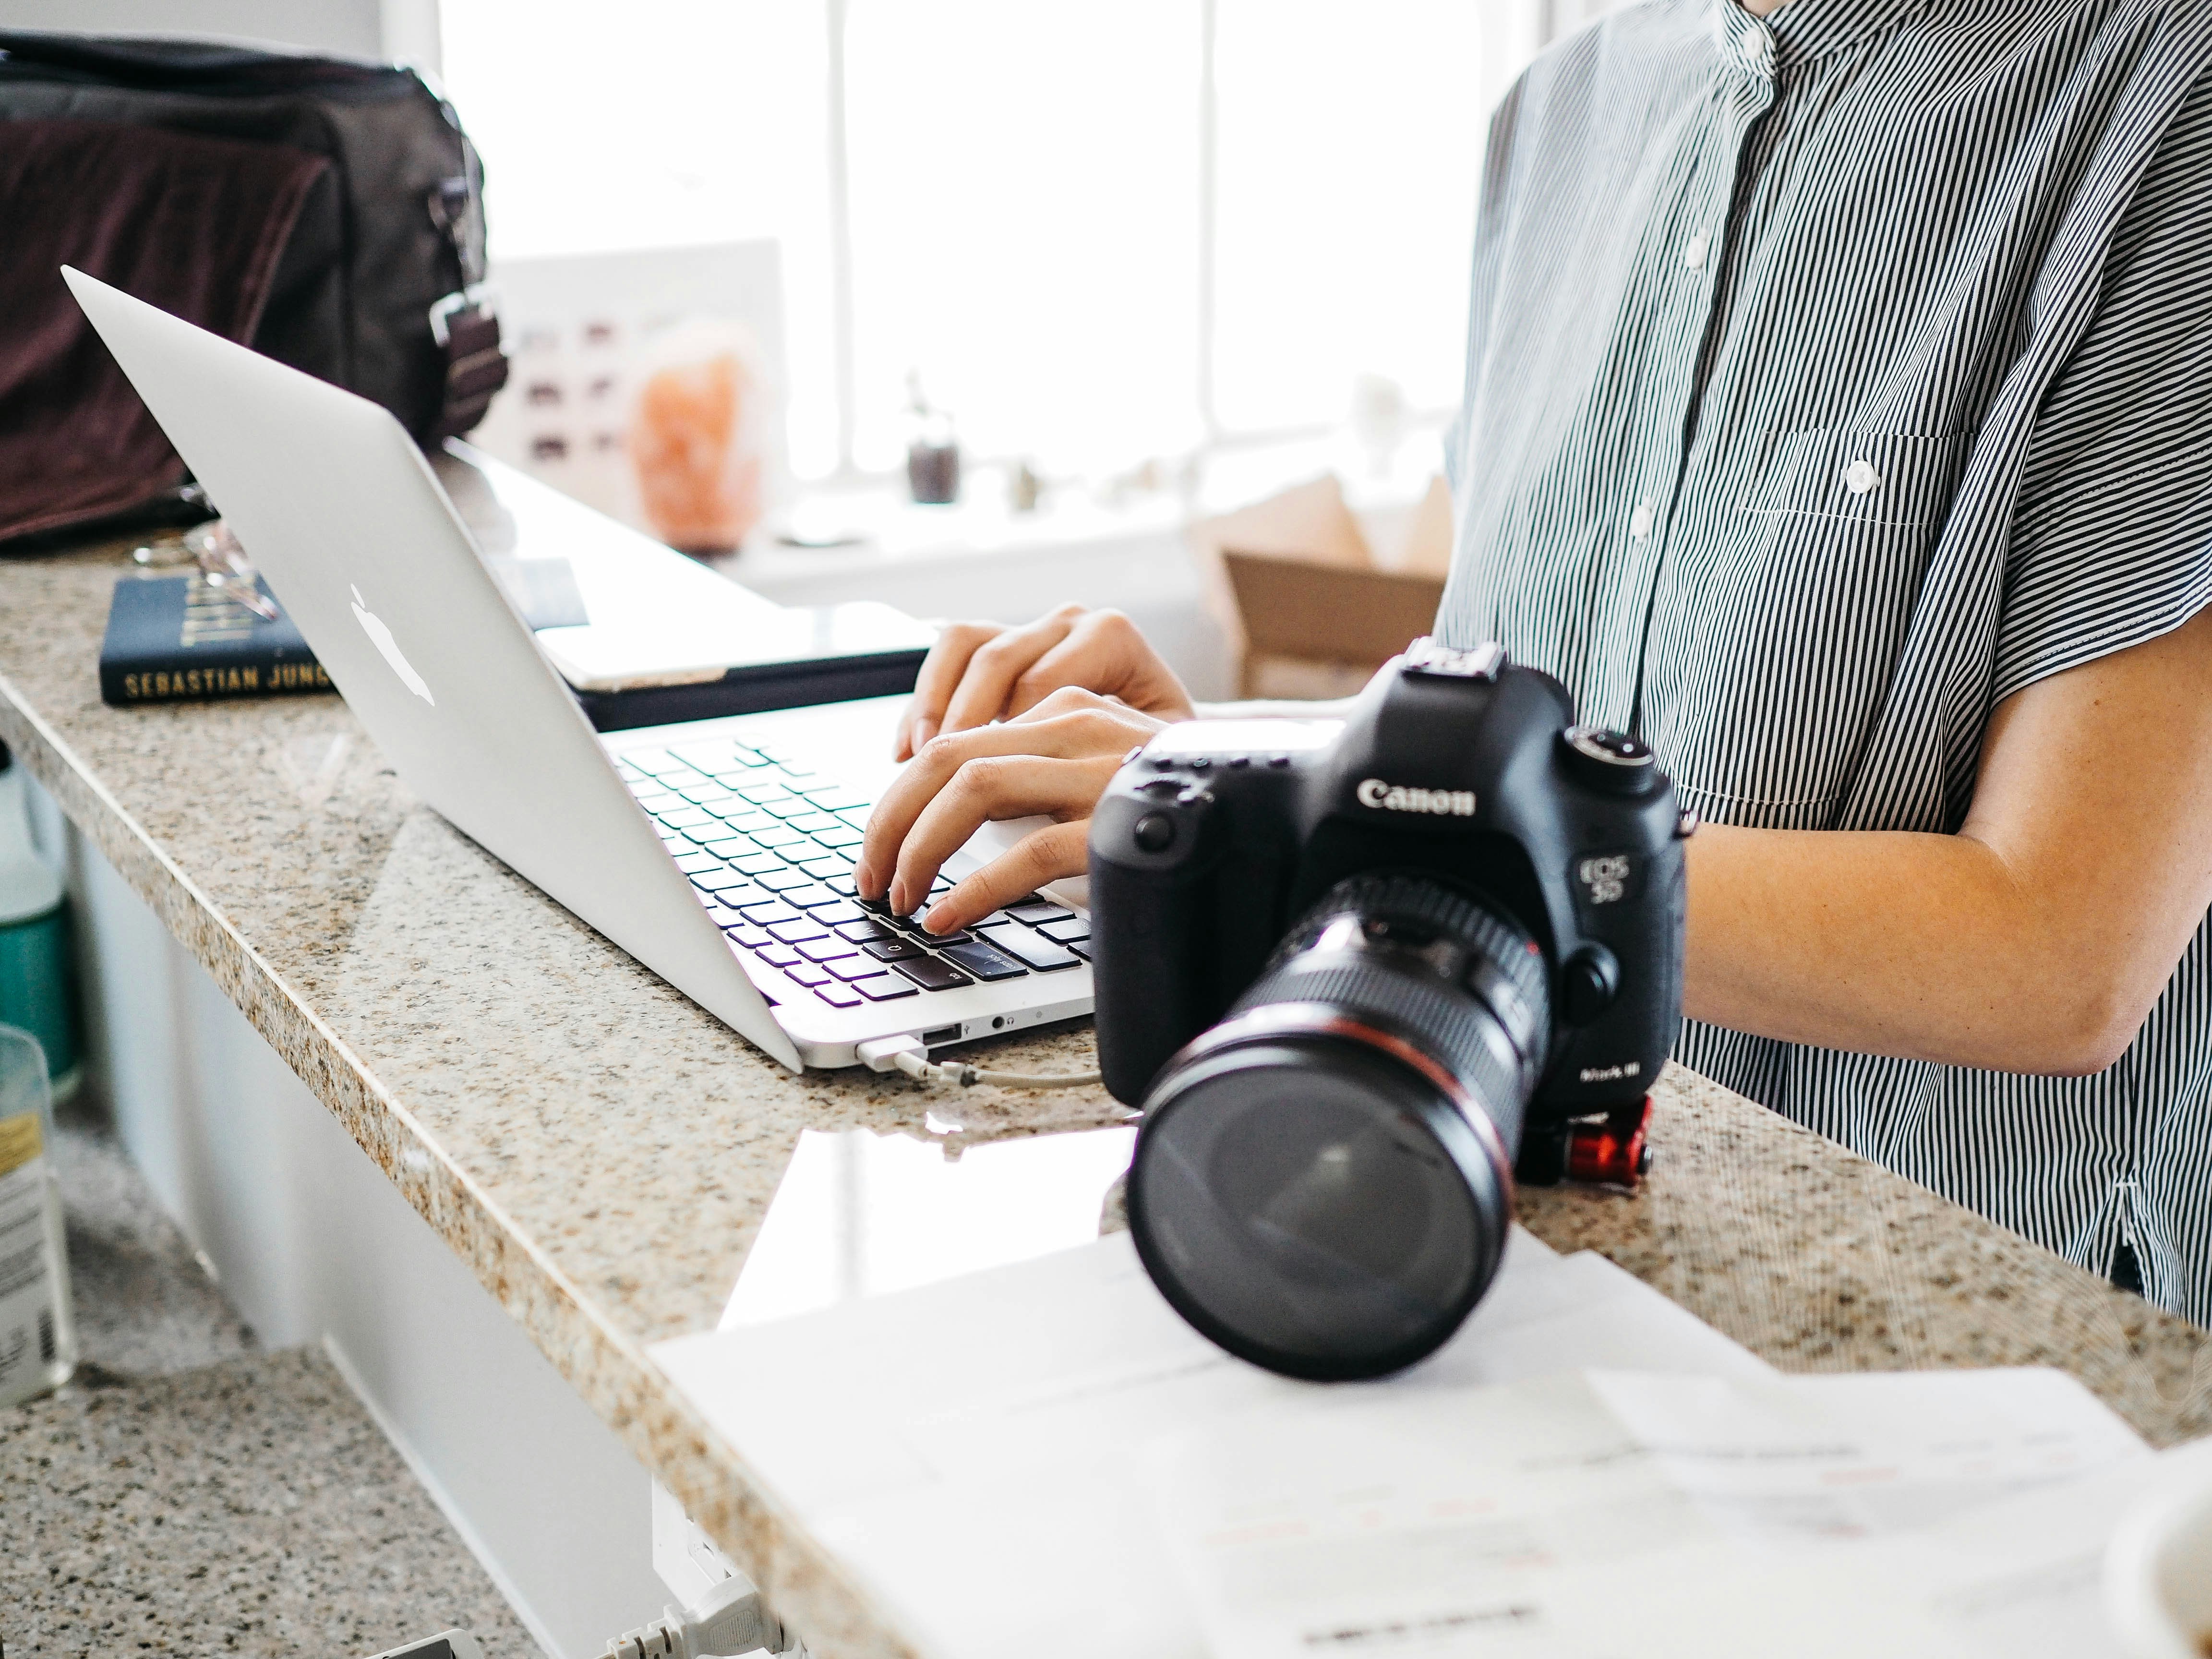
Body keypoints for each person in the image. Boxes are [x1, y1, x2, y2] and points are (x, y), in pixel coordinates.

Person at [856, 0, 2212, 1324]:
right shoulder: (1556, 118)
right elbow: (1507, 739)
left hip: (1951, 1348)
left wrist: (1304, 805)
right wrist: (1235, 760)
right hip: (1520, 1256)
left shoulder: (2166, 95)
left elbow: (2057, 952)